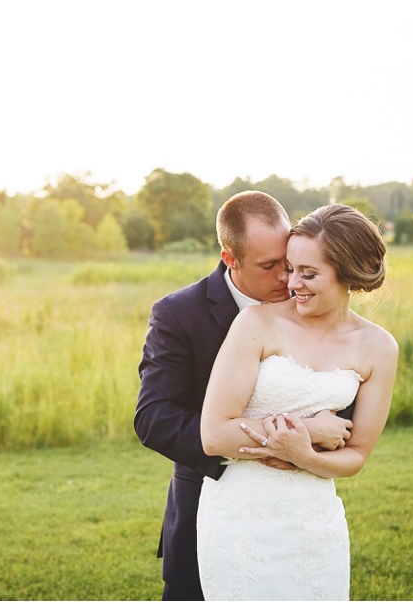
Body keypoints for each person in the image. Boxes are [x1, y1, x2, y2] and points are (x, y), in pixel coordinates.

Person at [135, 191, 355, 601]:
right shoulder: (179, 314)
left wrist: (310, 447)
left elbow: (339, 405)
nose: (286, 280)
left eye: (289, 263)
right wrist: (273, 441)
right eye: (270, 266)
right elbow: (154, 418)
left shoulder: (309, 300)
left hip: (300, 517)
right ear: (229, 258)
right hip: (211, 507)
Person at [197, 203, 398, 600]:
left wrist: (305, 456)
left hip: (314, 519)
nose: (292, 283)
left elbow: (356, 455)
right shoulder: (257, 322)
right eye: (290, 268)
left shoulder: (379, 348)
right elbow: (214, 433)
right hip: (241, 518)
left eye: (308, 273)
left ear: (348, 274)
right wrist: (308, 430)